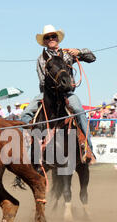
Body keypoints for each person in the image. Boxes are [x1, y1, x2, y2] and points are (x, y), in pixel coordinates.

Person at [20, 24, 96, 160]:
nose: (51, 39)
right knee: (25, 114)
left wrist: (79, 52)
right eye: (48, 37)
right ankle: (26, 151)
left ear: (57, 38)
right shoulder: (41, 58)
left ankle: (88, 148)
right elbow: (43, 81)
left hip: (67, 93)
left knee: (79, 110)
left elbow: (92, 57)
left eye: (53, 36)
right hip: (47, 94)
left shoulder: (68, 54)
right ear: (44, 41)